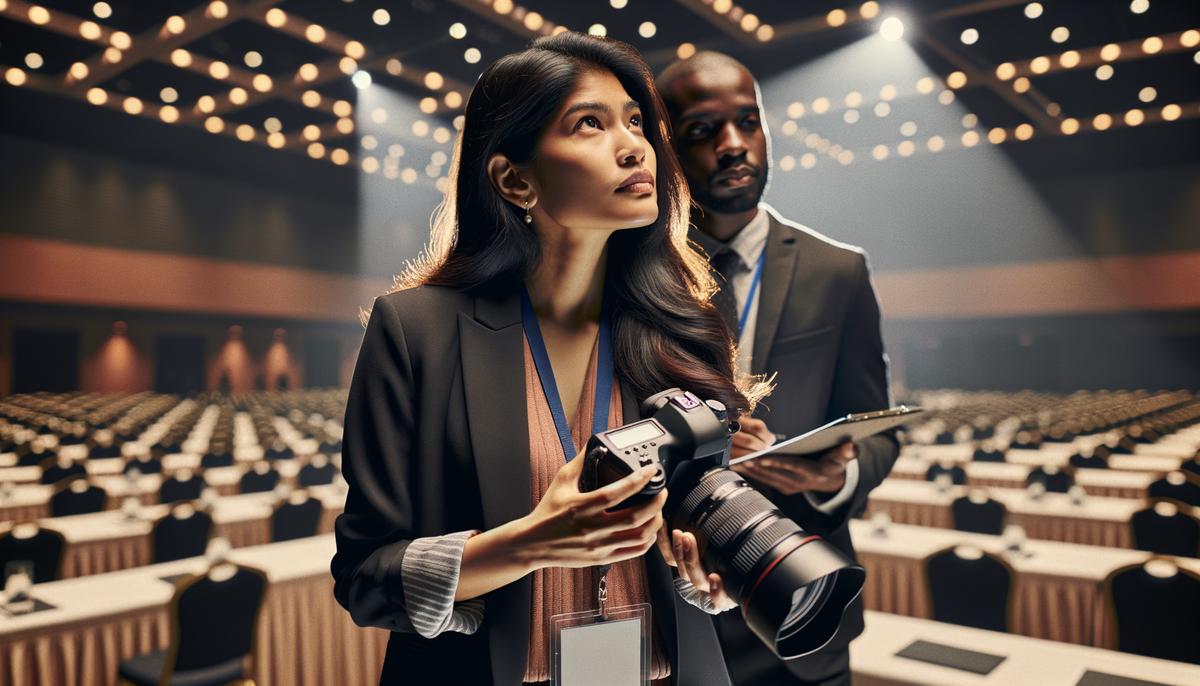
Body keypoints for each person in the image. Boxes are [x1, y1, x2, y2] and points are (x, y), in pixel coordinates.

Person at [332, 33, 770, 685]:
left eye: (634, 121)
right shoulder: (415, 329)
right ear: (514, 178)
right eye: (589, 124)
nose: (634, 145)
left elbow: (698, 568)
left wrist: (711, 577)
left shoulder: (681, 325)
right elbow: (366, 579)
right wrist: (528, 543)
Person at [657, 52, 900, 686]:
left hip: (803, 594)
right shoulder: (635, 275)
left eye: (748, 122)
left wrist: (833, 476)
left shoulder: (838, 270)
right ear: (667, 149)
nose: (735, 145)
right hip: (672, 603)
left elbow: (880, 433)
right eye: (704, 131)